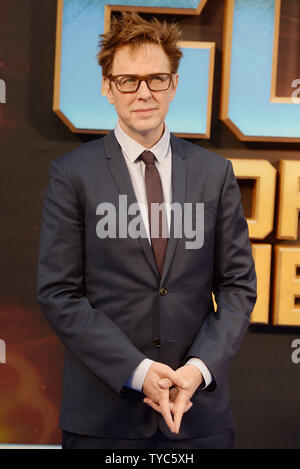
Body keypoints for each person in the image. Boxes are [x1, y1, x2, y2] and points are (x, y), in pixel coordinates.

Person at [37, 12, 257, 449]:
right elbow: (59, 293)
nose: (143, 93)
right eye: (127, 81)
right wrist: (139, 373)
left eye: (156, 79)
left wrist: (196, 371)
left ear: (173, 85)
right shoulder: (71, 175)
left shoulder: (215, 173)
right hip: (103, 419)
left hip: (198, 417)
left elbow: (237, 287)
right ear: (107, 87)